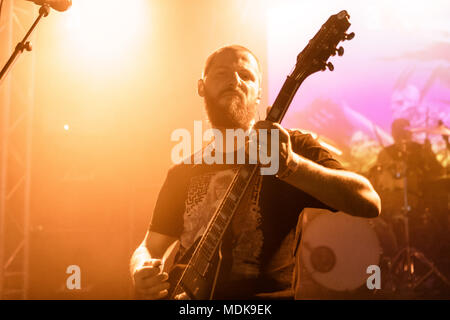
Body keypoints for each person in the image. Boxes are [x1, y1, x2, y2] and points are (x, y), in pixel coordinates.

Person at [129, 45, 381, 299]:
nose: (235, 81)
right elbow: (150, 247)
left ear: (259, 93)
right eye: (222, 73)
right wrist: (140, 269)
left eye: (246, 76)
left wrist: (292, 166)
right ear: (201, 87)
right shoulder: (182, 172)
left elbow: (369, 201)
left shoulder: (292, 148)